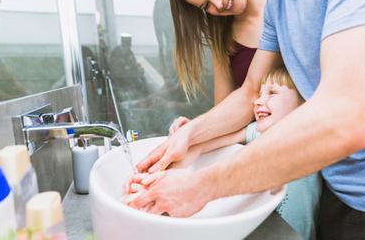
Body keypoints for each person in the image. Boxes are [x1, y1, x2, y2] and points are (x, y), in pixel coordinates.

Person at [132, 0, 365, 239]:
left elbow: (346, 119)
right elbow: (249, 93)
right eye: (207, 3)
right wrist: (190, 137)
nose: (217, 4)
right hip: (337, 179)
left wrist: (199, 187)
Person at [125, 66, 321, 239]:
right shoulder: (256, 132)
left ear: (303, 103)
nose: (259, 101)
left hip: (294, 233)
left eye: (272, 93)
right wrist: (189, 134)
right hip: (265, 225)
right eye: (259, 94)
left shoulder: (311, 141)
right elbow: (213, 143)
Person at [165, 0, 267, 103]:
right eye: (206, 5)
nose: (219, 4)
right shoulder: (223, 38)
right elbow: (224, 106)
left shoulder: (291, 6)